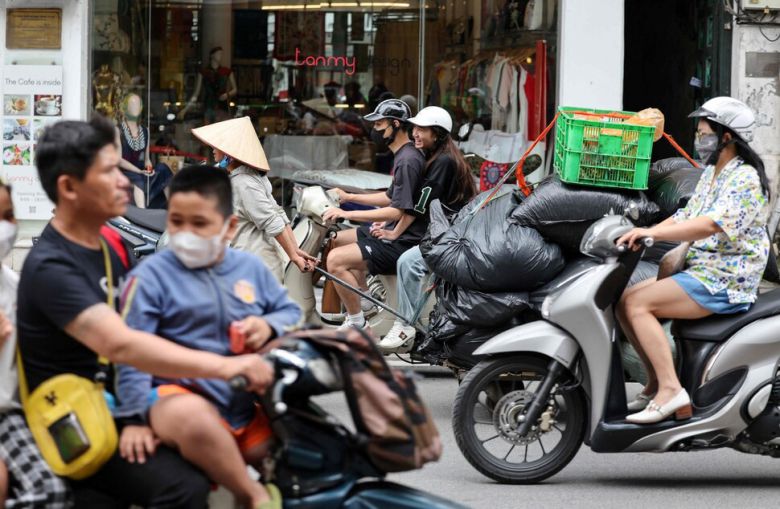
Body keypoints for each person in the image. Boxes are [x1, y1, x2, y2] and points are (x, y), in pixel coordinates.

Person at [18, 117, 273, 507]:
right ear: (69, 187)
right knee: (184, 486)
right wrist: (225, 367)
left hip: (125, 400)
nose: (124, 181)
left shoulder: (110, 245)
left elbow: (153, 323)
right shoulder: (51, 266)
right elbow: (121, 344)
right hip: (79, 418)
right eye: (109, 172)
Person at [116, 166, 299, 509]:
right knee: (193, 418)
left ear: (229, 227)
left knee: (296, 452)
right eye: (176, 222)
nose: (186, 233)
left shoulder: (250, 269)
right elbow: (130, 353)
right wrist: (133, 420)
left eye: (199, 223)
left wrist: (268, 325)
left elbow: (289, 312)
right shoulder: (149, 277)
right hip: (173, 399)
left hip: (239, 404)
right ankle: (254, 495)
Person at [616, 97, 771, 424]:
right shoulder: (713, 173)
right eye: (699, 134)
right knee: (623, 301)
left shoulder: (744, 178)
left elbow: (710, 224)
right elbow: (687, 214)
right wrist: (644, 232)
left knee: (638, 305)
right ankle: (655, 385)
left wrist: (653, 235)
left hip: (725, 279)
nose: (699, 141)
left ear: (726, 137)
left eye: (705, 135)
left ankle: (671, 390)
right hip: (702, 269)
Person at [376, 106, 477, 353]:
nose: (415, 134)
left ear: (438, 134)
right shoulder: (435, 157)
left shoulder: (443, 161)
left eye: (422, 130)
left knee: (407, 262)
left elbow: (420, 206)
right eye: (415, 128)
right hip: (444, 231)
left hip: (452, 236)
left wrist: (394, 232)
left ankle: (404, 326)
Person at [322, 99, 425, 330]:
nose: (374, 130)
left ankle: (357, 322)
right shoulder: (404, 155)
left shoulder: (408, 160)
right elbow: (389, 197)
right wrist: (349, 197)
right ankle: (366, 302)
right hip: (395, 231)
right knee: (338, 240)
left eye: (379, 124)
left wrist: (346, 213)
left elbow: (397, 210)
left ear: (395, 124)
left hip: (403, 240)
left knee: (335, 260)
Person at [0, 183, 71, 508]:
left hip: (13, 414)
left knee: (52, 491)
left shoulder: (17, 286)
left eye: (8, 216)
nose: (6, 227)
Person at [191, 116, 316, 282]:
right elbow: (278, 213)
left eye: (217, 146)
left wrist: (294, 255)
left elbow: (272, 220)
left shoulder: (244, 183)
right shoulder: (248, 177)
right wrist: (295, 250)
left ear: (229, 153)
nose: (213, 149)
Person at [116, 93, 173, 209]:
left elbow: (147, 159)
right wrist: (139, 171)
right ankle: (143, 213)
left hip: (142, 172)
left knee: (163, 168)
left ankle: (172, 207)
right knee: (139, 179)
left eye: (138, 104)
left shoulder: (145, 131)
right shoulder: (118, 130)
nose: (135, 107)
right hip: (127, 172)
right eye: (132, 104)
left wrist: (149, 168)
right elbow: (119, 160)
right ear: (125, 107)